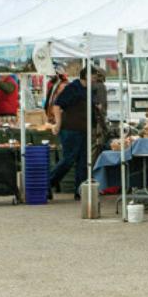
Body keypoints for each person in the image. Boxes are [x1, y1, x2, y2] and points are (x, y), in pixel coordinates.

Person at [49, 69, 90, 200]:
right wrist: (58, 124)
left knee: (83, 161)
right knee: (69, 159)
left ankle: (80, 191)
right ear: (87, 76)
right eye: (95, 76)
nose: (97, 80)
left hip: (84, 130)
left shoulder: (88, 90)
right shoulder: (72, 88)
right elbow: (57, 105)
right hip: (70, 130)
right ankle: (47, 184)